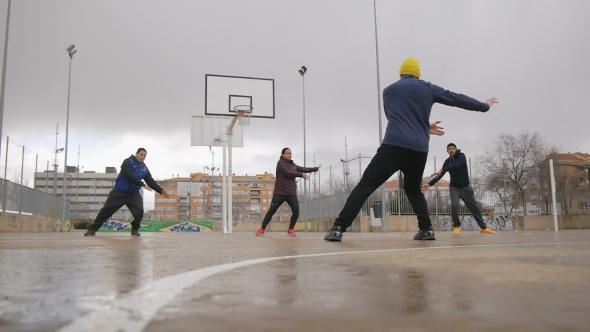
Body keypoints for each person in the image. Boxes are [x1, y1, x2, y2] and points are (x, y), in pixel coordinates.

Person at [324, 57, 497, 242]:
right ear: (418, 75)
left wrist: (421, 126)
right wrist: (484, 106)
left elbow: (394, 117)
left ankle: (338, 229)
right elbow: (456, 99)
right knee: (413, 189)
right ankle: (426, 229)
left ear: (400, 74)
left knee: (365, 186)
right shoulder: (427, 88)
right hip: (418, 150)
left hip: (393, 145)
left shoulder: (388, 91)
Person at [84, 148, 169, 236]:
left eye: (145, 156)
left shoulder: (144, 168)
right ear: (136, 154)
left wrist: (160, 190)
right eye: (141, 155)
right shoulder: (128, 162)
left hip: (133, 194)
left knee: (139, 210)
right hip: (119, 192)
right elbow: (130, 175)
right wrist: (142, 184)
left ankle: (135, 229)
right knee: (106, 211)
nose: (143, 157)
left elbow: (150, 181)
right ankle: (92, 229)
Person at [421, 143, 496, 234]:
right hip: (454, 187)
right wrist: (429, 184)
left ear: (456, 149)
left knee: (474, 207)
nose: (451, 150)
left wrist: (442, 170)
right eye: (449, 149)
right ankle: (456, 226)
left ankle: (483, 227)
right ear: (447, 151)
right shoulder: (447, 161)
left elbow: (455, 165)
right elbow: (440, 175)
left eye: (453, 148)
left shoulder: (461, 156)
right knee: (454, 205)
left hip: (465, 187)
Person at [255, 148, 320, 236]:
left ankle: (291, 229)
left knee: (296, 211)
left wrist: (315, 168)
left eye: (290, 153)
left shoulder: (293, 165)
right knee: (272, 210)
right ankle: (262, 229)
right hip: (280, 193)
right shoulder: (280, 163)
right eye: (287, 153)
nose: (289, 155)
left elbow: (303, 169)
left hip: (291, 193)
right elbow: (288, 173)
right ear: (283, 155)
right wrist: (301, 175)